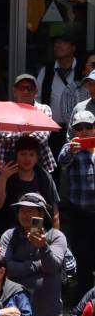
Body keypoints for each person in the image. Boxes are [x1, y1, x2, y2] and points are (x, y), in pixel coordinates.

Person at [0, 193, 66, 316]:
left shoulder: (55, 236)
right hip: (18, 313)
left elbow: (52, 266)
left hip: (48, 313)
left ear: (41, 214)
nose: (25, 214)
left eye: (30, 211)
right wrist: (37, 265)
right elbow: (5, 267)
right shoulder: (9, 236)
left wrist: (43, 247)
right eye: (22, 210)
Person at [0, 75, 56, 175]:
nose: (25, 91)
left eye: (29, 88)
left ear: (36, 91)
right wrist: (25, 133)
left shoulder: (44, 109)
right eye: (21, 88)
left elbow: (42, 137)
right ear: (14, 91)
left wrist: (14, 132)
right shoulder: (5, 110)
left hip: (39, 167)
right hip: (9, 166)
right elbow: (0, 136)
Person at [57, 110, 95, 290]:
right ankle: (83, 300)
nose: (84, 131)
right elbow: (62, 162)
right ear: (74, 131)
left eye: (88, 127)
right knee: (83, 256)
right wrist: (72, 150)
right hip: (80, 213)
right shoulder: (70, 147)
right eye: (79, 128)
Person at [0, 137, 60, 234]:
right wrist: (3, 178)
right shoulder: (7, 176)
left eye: (31, 155)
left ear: (37, 158)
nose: (27, 159)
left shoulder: (44, 177)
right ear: (16, 155)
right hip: (12, 234)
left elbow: (55, 214)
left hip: (39, 233)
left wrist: (55, 238)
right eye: (23, 154)